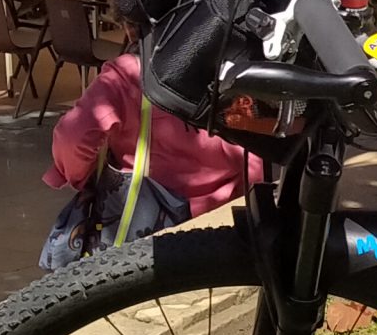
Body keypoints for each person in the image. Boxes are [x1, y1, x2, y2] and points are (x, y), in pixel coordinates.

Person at [45, 35, 262, 222]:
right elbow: (257, 151)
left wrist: (82, 176)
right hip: (228, 215)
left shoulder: (130, 74)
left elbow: (73, 136)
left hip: (147, 223)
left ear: (131, 28)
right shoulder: (238, 69)